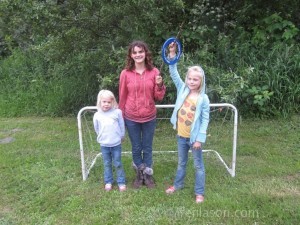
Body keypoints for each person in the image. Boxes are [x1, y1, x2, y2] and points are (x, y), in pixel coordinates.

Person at [165, 43, 210, 203]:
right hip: (181, 136)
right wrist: (172, 53)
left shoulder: (203, 98)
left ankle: (199, 192)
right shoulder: (182, 89)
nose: (191, 81)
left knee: (198, 166)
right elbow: (173, 72)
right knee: (181, 163)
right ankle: (178, 185)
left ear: (201, 81)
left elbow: (205, 119)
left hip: (194, 139)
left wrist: (199, 139)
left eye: (195, 79)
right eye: (190, 78)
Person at [119, 40, 166, 188]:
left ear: (146, 53)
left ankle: (148, 175)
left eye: (141, 51)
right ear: (131, 55)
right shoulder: (125, 73)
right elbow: (122, 96)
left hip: (149, 117)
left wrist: (159, 85)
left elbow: (158, 97)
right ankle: (140, 174)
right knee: (136, 147)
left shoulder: (155, 72)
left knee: (147, 147)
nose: (138, 54)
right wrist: (120, 117)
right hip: (131, 117)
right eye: (135, 52)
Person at [93, 90, 127, 192]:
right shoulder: (97, 115)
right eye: (104, 102)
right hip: (104, 145)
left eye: (109, 102)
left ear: (113, 102)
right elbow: (97, 128)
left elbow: (121, 125)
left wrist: (122, 135)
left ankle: (121, 182)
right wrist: (102, 137)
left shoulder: (117, 112)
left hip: (116, 144)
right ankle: (108, 181)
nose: (106, 104)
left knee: (118, 163)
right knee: (107, 163)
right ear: (100, 102)